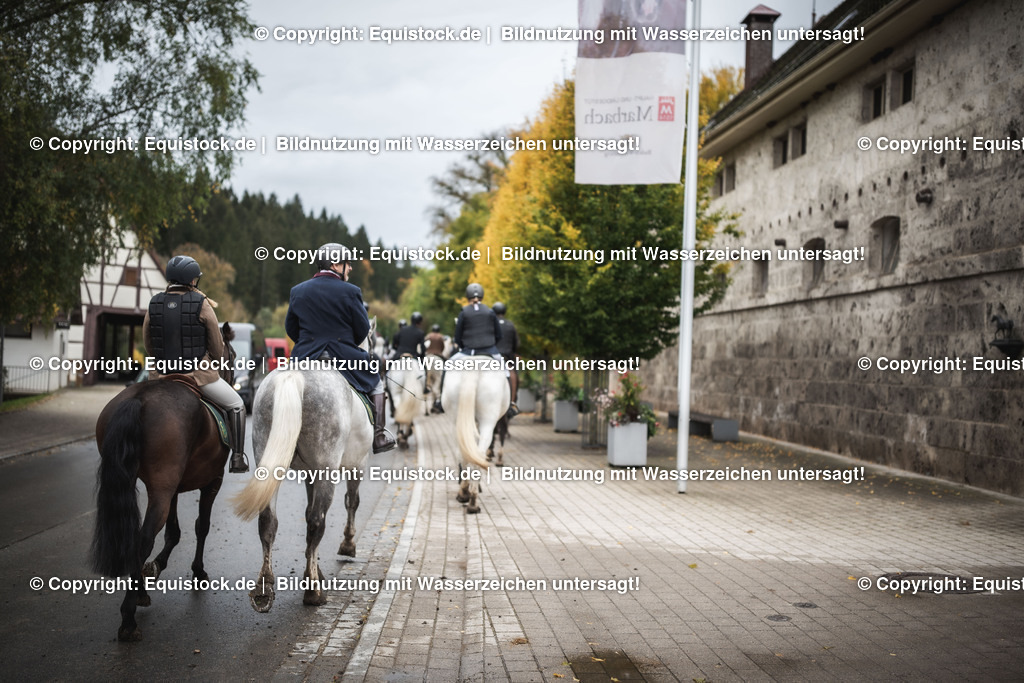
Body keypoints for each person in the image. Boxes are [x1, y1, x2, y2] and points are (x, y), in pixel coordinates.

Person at [285, 243, 396, 454]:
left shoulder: (297, 291)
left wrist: (309, 343)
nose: (351, 268)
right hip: (343, 355)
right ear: (335, 264)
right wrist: (345, 342)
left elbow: (291, 328)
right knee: (377, 383)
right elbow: (362, 329)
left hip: (305, 356)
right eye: (348, 264)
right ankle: (379, 436)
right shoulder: (351, 291)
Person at [144, 255, 249, 473]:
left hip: (160, 377)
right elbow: (217, 348)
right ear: (192, 280)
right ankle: (238, 458)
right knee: (237, 405)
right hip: (197, 376)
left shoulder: (154, 303)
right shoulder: (201, 303)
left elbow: (149, 344)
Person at [493, 302, 520, 418]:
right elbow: (516, 344)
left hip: (492, 356)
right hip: (506, 357)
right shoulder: (510, 325)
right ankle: (512, 403)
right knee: (513, 375)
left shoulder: (491, 324)